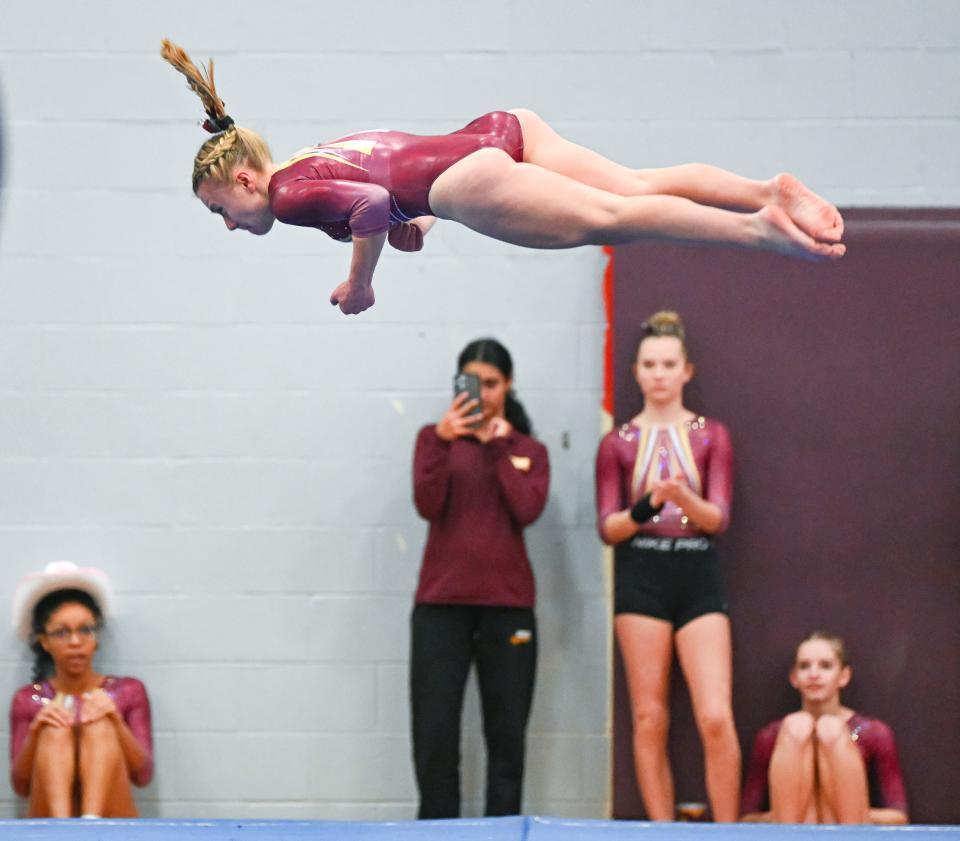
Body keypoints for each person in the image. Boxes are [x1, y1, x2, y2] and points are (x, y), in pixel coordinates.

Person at [160, 40, 846, 316]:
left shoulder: (288, 196)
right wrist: (414, 221)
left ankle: (760, 231)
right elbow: (391, 167)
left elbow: (371, 203)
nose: (228, 225)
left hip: (467, 180)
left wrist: (361, 281)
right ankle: (764, 192)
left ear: (245, 180)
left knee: (615, 221)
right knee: (635, 185)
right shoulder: (316, 153)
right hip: (497, 128)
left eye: (220, 209)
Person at [595, 311, 739, 821]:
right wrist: (649, 506)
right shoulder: (618, 442)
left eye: (668, 364)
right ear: (635, 371)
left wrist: (681, 495)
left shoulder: (710, 436)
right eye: (650, 364)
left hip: (696, 571)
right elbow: (608, 528)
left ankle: (728, 830)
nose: (659, 374)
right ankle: (662, 830)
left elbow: (717, 518)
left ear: (686, 371)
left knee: (716, 716)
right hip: (642, 572)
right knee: (649, 715)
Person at [410, 338, 549, 818]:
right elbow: (427, 504)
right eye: (474, 382)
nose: (484, 393)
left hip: (507, 608)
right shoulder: (434, 439)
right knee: (434, 738)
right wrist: (446, 442)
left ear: (507, 385)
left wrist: (497, 450)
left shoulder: (527, 450)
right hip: (440, 609)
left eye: (492, 383)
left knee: (507, 738)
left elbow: (527, 509)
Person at [9, 562, 153, 818]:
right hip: (50, 817)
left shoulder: (128, 690)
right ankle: (65, 832)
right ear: (44, 641)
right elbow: (20, 787)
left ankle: (89, 827)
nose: (76, 642)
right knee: (54, 730)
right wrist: (35, 731)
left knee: (100, 726)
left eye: (85, 630)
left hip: (112, 817)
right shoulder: (28, 699)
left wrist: (116, 721)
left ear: (97, 636)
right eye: (62, 632)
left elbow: (142, 776)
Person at [740, 632, 908, 824]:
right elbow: (747, 819)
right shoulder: (774, 735)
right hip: (793, 831)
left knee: (832, 729)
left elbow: (898, 817)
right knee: (797, 726)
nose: (814, 675)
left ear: (844, 676)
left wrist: (846, 814)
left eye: (825, 666)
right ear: (794, 678)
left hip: (850, 828)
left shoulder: (868, 732)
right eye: (804, 666)